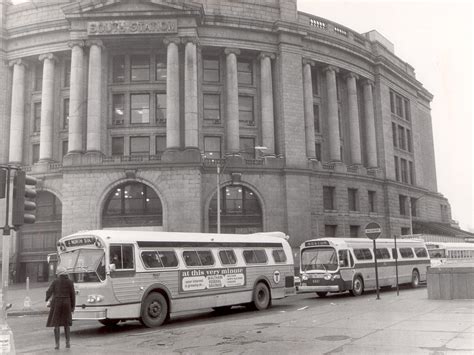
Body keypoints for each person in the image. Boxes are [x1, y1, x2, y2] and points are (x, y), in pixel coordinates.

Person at [45, 265, 75, 350]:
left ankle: (57, 344)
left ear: (58, 273)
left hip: (57, 303)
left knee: (56, 324)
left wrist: (47, 299)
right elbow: (73, 295)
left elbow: (49, 291)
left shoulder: (55, 281)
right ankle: (67, 343)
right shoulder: (70, 282)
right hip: (67, 303)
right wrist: (72, 307)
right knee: (66, 324)